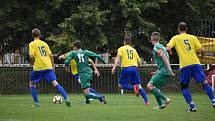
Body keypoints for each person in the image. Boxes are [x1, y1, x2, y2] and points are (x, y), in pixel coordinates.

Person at [166, 22, 215, 112]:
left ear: (178, 29)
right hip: (196, 63)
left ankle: (192, 106)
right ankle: (213, 101)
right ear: (187, 29)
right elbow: (202, 50)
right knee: (204, 82)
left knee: (184, 86)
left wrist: (169, 51)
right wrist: (202, 56)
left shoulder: (175, 38)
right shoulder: (192, 37)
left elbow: (168, 48)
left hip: (185, 65)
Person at [29, 28, 71, 107]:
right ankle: (66, 98)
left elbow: (31, 56)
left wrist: (32, 63)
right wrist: (53, 66)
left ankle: (36, 103)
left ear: (32, 35)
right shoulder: (44, 44)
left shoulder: (32, 44)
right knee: (55, 83)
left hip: (38, 67)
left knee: (32, 84)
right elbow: (51, 55)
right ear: (40, 35)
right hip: (48, 66)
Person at [112, 37, 149, 105]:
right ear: (130, 43)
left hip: (126, 68)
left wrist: (114, 67)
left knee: (121, 85)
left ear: (124, 42)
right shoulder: (134, 50)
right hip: (134, 69)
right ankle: (147, 101)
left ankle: (134, 87)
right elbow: (140, 62)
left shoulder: (121, 48)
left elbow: (118, 58)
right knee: (139, 86)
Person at [147, 32, 173, 109]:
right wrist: (156, 71)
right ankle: (161, 104)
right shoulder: (163, 47)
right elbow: (163, 61)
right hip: (163, 70)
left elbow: (163, 57)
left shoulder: (156, 48)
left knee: (149, 86)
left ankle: (166, 99)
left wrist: (169, 68)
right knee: (155, 88)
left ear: (152, 40)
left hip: (164, 70)